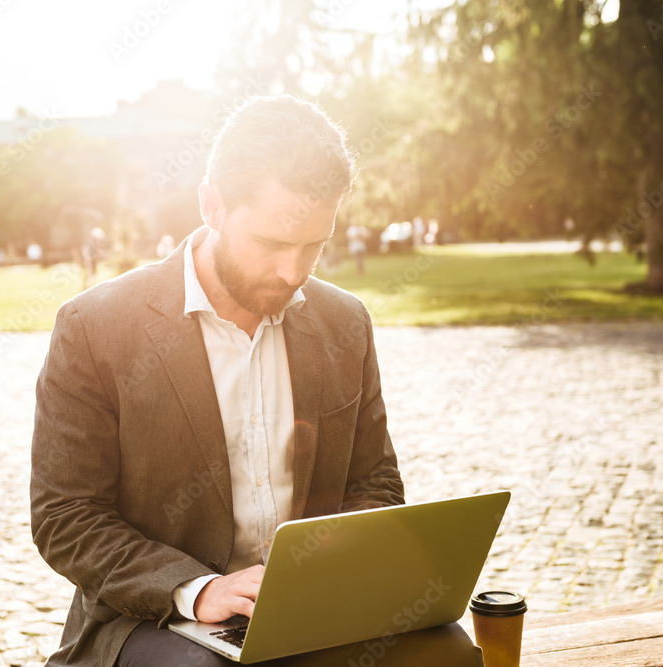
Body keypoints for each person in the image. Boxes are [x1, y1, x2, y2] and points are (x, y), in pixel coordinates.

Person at [30, 96, 466, 666]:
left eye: (314, 245)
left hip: (310, 605)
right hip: (155, 617)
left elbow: (375, 480)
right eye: (272, 244)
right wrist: (198, 590)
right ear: (212, 205)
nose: (293, 272)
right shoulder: (94, 328)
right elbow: (66, 516)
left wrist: (345, 571)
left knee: (446, 652)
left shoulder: (345, 323)